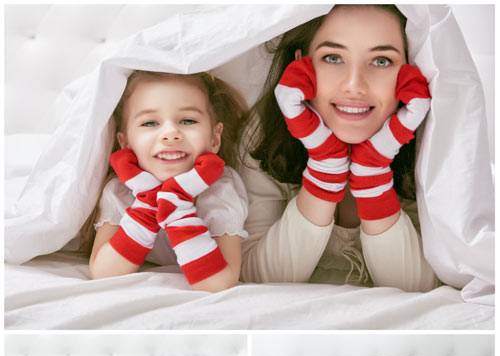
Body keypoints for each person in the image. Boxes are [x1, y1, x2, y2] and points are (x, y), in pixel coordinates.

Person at [239, 5, 439, 291]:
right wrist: (325, 166)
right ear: (300, 63)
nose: (354, 85)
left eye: (382, 61)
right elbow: (259, 278)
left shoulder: (432, 140)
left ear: (411, 71)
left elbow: (416, 287)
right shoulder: (263, 133)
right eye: (333, 58)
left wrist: (373, 172)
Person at [88, 70, 248, 290]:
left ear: (214, 138)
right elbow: (104, 273)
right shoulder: (121, 191)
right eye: (150, 123)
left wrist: (178, 204)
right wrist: (147, 203)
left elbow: (217, 283)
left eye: (188, 120)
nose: (171, 133)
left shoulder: (219, 191)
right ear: (125, 142)